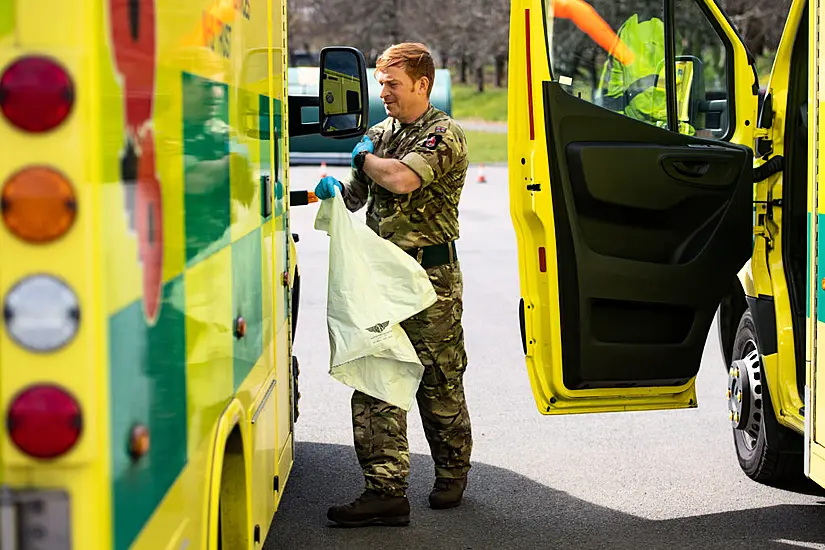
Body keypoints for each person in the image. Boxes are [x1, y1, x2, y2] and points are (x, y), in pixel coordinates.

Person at [314, 42, 472, 527]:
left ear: (422, 85)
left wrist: (362, 161)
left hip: (431, 280)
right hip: (382, 279)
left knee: (438, 380)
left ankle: (451, 473)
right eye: (380, 83)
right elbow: (360, 196)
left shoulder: (444, 135)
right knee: (376, 377)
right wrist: (335, 192)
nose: (383, 93)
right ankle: (385, 490)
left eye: (392, 84)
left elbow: (402, 180)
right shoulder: (380, 135)